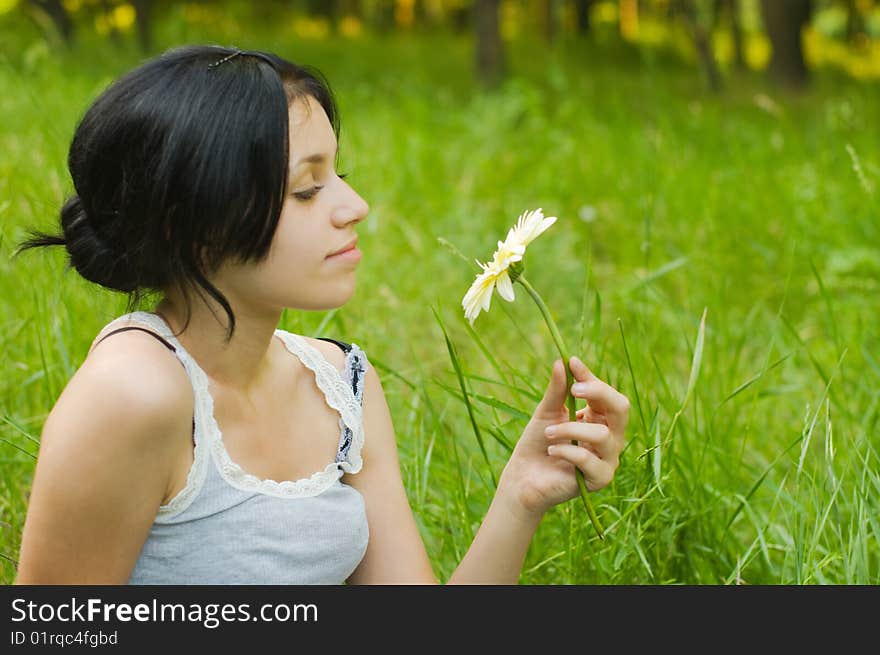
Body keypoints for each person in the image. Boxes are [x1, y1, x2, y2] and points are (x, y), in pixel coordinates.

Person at [12, 45, 630, 584]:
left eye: (339, 174)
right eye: (306, 189)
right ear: (193, 225)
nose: (354, 206)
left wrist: (520, 495)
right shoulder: (133, 391)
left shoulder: (343, 383)